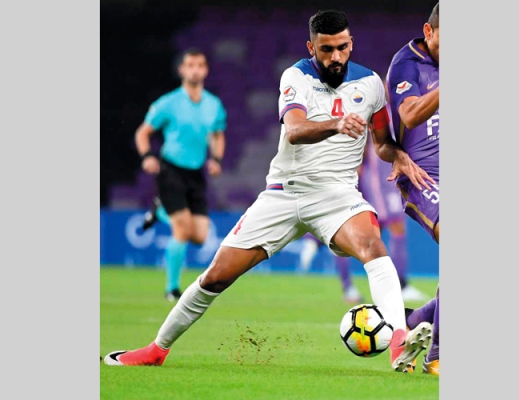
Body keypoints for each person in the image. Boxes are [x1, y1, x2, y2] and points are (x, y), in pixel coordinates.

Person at [104, 10, 435, 373]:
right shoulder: (296, 77)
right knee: (215, 276)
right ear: (311, 47)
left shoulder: (370, 84)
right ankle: (156, 350)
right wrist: (336, 124)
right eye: (326, 49)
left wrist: (398, 156)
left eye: (342, 47)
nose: (336, 56)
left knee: (373, 247)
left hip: (337, 196)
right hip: (283, 194)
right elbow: (294, 130)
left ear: (351, 44)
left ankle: (399, 344)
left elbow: (382, 142)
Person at [134, 48, 227, 302]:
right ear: (182, 70)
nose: (195, 70)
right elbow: (143, 133)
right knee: (182, 229)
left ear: (205, 70)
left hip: (196, 172)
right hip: (171, 169)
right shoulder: (168, 103)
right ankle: (172, 289)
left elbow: (218, 134)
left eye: (200, 65)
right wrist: (147, 156)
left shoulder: (214, 105)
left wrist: (216, 159)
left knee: (200, 236)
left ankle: (160, 211)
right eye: (190, 65)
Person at [382, 2, 440, 376]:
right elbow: (410, 114)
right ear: (429, 31)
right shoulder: (407, 64)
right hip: (424, 177)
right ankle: (438, 355)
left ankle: (413, 320)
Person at [358, 136, 427, 302]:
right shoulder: (375, 122)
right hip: (379, 180)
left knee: (383, 232)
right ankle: (399, 285)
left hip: (391, 176)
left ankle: (393, 285)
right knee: (385, 230)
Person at [297, 232, 364, 304]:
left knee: (340, 255)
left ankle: (349, 289)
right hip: (316, 231)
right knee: (308, 251)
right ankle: (300, 277)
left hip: (331, 232)